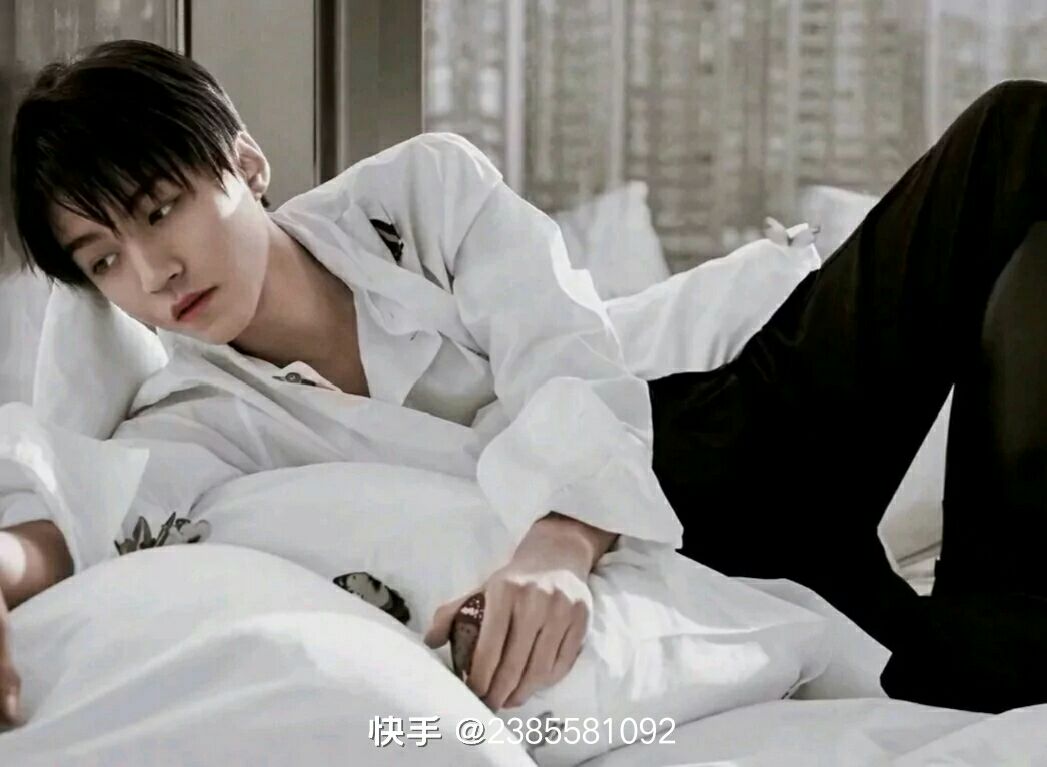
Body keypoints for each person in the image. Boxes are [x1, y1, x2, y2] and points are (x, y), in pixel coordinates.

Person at [3, 39, 1047, 728]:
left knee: (1013, 133)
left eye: (159, 209)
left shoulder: (424, 190)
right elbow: (83, 524)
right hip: (693, 578)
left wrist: (561, 537)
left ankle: (995, 587)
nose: (153, 272)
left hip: (710, 445)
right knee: (990, 684)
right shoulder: (199, 416)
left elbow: (561, 347)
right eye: (103, 260)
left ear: (246, 163)